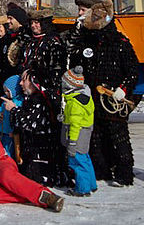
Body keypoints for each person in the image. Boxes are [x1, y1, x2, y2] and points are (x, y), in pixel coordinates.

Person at [70, 0, 139, 187]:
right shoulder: (86, 42)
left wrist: (123, 89)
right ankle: (102, 170)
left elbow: (133, 71)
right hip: (92, 98)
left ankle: (124, 173)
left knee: (118, 136)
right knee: (96, 136)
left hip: (112, 99)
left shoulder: (120, 43)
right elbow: (76, 64)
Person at [8, 70, 61, 186]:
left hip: (41, 155)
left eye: (24, 80)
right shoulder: (32, 99)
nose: (21, 84)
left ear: (33, 81)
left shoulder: (40, 99)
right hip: (33, 152)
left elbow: (30, 123)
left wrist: (13, 110)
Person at [60, 66, 97, 197]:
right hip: (85, 133)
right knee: (85, 158)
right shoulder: (84, 96)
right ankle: (91, 183)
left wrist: (72, 142)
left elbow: (75, 124)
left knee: (77, 161)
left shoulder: (75, 103)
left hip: (78, 136)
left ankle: (82, 188)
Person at [0, 75, 24, 158]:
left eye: (8, 91)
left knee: (9, 151)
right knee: (0, 149)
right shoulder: (5, 101)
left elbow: (18, 118)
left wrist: (14, 130)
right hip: (1, 130)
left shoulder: (19, 102)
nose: (5, 93)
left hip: (10, 133)